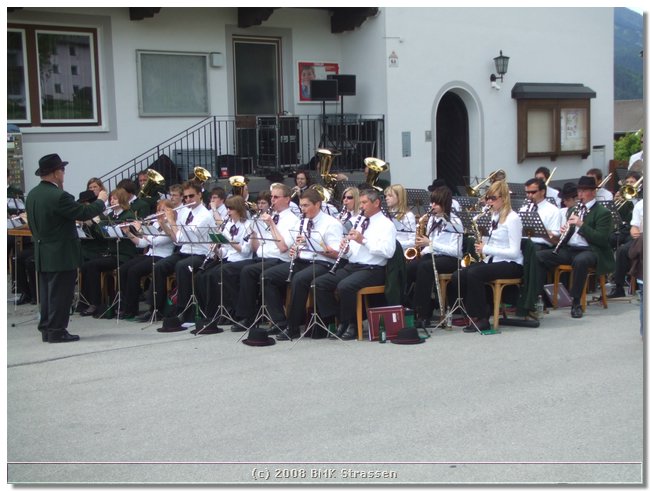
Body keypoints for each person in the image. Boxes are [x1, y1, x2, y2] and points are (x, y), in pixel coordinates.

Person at [25, 153, 106, 343]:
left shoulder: (33, 194)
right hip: (60, 252)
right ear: (55, 173)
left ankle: (47, 328)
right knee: (61, 294)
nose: (64, 173)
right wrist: (101, 200)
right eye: (62, 170)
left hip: (43, 251)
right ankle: (57, 330)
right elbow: (83, 212)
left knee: (47, 294)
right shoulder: (59, 196)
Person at [314, 188, 397, 340]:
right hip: (353, 266)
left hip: (373, 269)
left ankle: (351, 324)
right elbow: (353, 251)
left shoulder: (386, 225)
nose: (361, 206)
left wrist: (363, 240)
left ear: (376, 203)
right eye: (361, 203)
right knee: (320, 283)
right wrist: (346, 250)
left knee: (345, 286)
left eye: (365, 203)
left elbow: (388, 252)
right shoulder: (360, 222)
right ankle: (340, 319)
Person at [261, 188, 344, 340]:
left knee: (299, 279)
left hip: (322, 263)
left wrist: (312, 244)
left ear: (317, 204)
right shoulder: (303, 222)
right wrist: (296, 249)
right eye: (301, 206)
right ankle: (280, 321)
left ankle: (293, 328)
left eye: (306, 206)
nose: (302, 209)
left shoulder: (331, 223)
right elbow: (298, 245)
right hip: (302, 261)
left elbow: (336, 253)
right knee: (267, 277)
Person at [449, 180, 524, 332]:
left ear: (504, 198)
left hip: (511, 263)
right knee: (459, 274)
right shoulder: (494, 216)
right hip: (494, 260)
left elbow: (514, 252)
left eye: (493, 198)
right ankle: (474, 311)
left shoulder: (512, 218)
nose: (489, 202)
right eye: (488, 198)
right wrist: (482, 242)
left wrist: (487, 248)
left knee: (474, 273)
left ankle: (481, 318)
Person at [537, 176, 615, 319]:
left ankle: (576, 302)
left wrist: (581, 224)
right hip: (570, 249)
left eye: (584, 191)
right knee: (540, 256)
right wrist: (564, 232)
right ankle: (539, 297)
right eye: (579, 191)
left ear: (593, 192)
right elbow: (569, 234)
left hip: (591, 250)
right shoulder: (573, 209)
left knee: (580, 261)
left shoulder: (602, 212)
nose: (580, 195)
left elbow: (602, 239)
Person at [145, 181, 216, 325]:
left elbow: (184, 238)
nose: (188, 200)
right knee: (159, 266)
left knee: (182, 267)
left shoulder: (205, 215)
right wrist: (163, 223)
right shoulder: (187, 212)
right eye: (186, 197)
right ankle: (156, 308)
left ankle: (184, 311)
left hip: (201, 253)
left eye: (191, 196)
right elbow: (176, 240)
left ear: (200, 195)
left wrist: (172, 220)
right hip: (185, 250)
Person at [232, 183, 300, 329]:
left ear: (287, 199)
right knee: (236, 269)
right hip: (263, 257)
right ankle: (247, 315)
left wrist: (271, 224)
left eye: (276, 197)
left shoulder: (293, 220)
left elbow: (283, 248)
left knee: (250, 272)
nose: (273, 200)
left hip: (280, 259)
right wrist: (253, 233)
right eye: (272, 197)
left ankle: (276, 320)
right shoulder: (271, 216)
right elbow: (257, 248)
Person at [195, 195, 253, 330]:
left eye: (231, 209)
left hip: (243, 260)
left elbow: (245, 251)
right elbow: (225, 252)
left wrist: (228, 240)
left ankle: (232, 312)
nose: (228, 211)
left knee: (219, 273)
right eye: (227, 208)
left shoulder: (248, 225)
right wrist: (216, 250)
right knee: (202, 275)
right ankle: (211, 312)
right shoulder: (228, 225)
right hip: (229, 259)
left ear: (239, 209)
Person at [407, 186, 462, 328]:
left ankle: (423, 314)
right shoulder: (432, 219)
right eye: (432, 202)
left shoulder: (455, 222)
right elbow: (430, 244)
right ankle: (408, 307)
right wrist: (422, 251)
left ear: (445, 204)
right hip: (434, 254)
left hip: (451, 259)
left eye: (436, 203)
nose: (432, 206)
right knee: (411, 267)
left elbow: (456, 251)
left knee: (425, 267)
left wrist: (430, 243)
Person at [78, 188, 137, 317]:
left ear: (122, 200)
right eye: (110, 198)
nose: (111, 201)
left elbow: (113, 234)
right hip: (111, 253)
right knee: (86, 265)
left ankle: (95, 303)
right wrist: (91, 224)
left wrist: (97, 223)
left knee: (92, 265)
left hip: (123, 255)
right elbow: (103, 235)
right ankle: (87, 302)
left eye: (115, 198)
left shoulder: (128, 215)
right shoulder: (110, 216)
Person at [116, 200, 176, 319]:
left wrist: (140, 230)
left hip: (162, 256)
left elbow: (155, 241)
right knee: (123, 269)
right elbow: (143, 243)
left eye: (163, 210)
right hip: (150, 254)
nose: (159, 213)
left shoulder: (171, 226)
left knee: (134, 271)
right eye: (158, 210)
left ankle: (131, 309)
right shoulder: (155, 225)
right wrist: (128, 233)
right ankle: (125, 306)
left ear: (170, 212)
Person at [609, 198, 643, 298]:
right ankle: (619, 287)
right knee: (622, 250)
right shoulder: (640, 205)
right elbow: (634, 226)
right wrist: (634, 231)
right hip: (641, 238)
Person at [520, 178, 562, 250]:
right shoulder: (523, 209)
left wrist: (540, 230)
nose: (529, 195)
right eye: (527, 192)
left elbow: (555, 240)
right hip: (523, 243)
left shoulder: (553, 210)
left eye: (533, 192)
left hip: (540, 246)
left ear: (542, 192)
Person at [384, 184, 416, 251]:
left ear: (399, 197)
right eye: (386, 196)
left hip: (401, 251)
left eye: (390, 196)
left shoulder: (408, 216)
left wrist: (394, 243)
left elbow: (413, 242)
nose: (386, 198)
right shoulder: (387, 214)